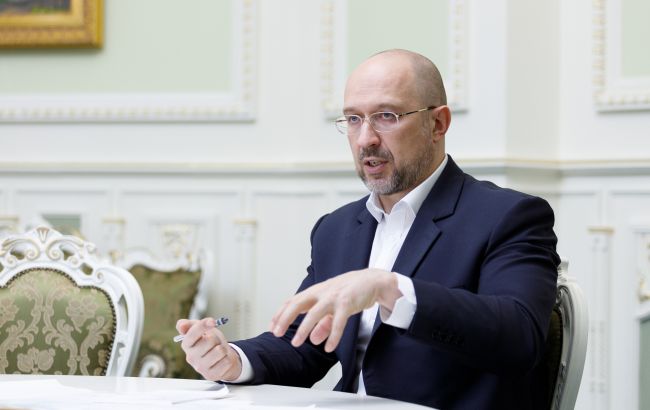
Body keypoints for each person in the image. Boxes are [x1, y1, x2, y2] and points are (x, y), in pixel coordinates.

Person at [177, 49, 560, 410]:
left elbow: (519, 337)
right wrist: (234, 360)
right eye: (353, 119)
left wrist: (389, 288)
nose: (365, 139)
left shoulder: (508, 216)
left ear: (437, 123)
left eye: (387, 116)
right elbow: (304, 346)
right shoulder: (336, 229)